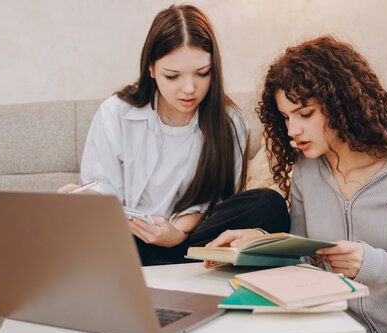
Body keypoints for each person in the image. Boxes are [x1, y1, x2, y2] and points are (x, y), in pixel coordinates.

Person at [206, 36, 387, 333]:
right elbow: (307, 263)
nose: (292, 131)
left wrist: (374, 263)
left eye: (305, 114)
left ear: (342, 104)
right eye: (286, 117)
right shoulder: (306, 171)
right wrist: (260, 245)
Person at [58, 4, 290, 266]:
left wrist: (177, 232)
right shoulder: (115, 114)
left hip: (195, 241)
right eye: (173, 76)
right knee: (80, 233)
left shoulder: (230, 122)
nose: (189, 89)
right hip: (130, 242)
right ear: (152, 69)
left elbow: (222, 206)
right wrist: (85, 200)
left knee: (268, 204)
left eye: (202, 74)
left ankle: (166, 266)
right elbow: (105, 198)